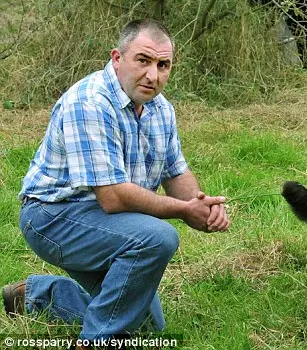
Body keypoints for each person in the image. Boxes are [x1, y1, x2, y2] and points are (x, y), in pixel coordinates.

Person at [2, 18, 229, 346]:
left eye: (163, 65)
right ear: (117, 58)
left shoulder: (160, 109)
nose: (153, 75)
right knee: (157, 238)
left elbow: (176, 172)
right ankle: (97, 340)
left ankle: (34, 295)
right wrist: (182, 211)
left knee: (146, 327)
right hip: (52, 217)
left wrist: (201, 205)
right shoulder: (90, 101)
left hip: (107, 223)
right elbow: (112, 197)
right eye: (143, 60)